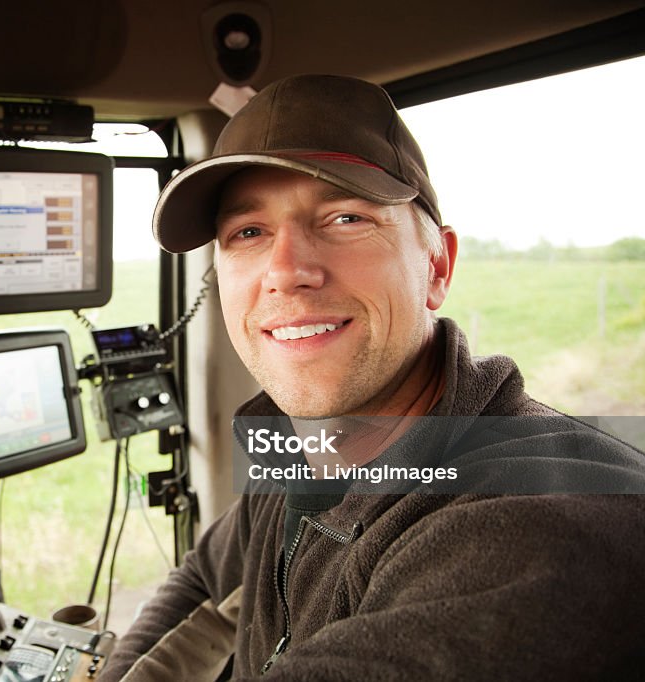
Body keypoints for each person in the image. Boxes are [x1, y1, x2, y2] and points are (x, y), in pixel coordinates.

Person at [98, 75, 645, 681]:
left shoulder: (534, 528)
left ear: (437, 265)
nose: (286, 272)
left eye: (345, 218)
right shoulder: (299, 444)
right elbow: (203, 580)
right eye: (248, 233)